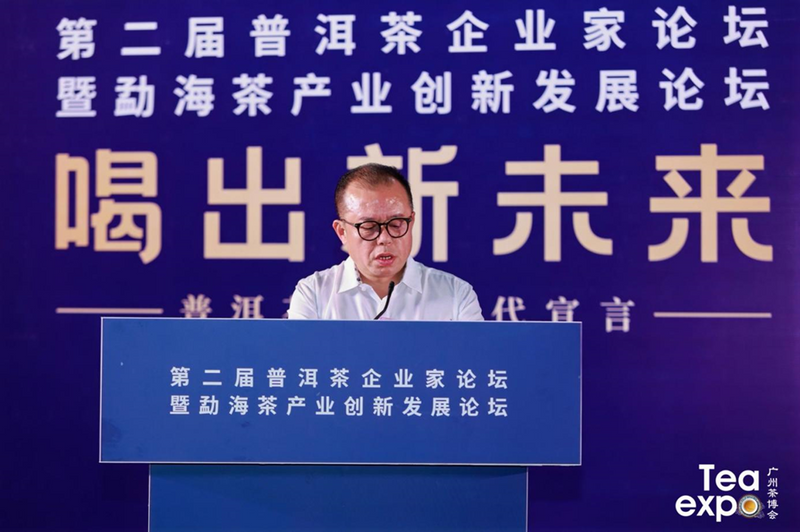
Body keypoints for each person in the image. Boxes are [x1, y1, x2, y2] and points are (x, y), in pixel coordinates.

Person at [288, 163, 483, 320]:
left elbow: (474, 358)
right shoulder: (314, 295)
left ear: (411, 221)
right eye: (369, 227)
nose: (384, 239)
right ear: (342, 232)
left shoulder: (456, 295)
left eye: (396, 224)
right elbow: (303, 358)